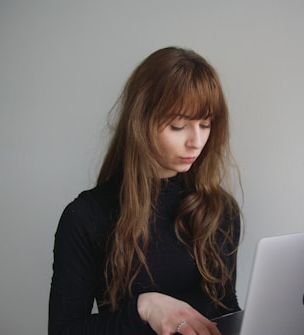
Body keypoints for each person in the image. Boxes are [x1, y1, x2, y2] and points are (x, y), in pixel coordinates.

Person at [48, 46, 242, 335]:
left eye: (206, 124)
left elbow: (224, 307)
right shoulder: (86, 217)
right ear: (141, 122)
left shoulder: (220, 209)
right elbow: (63, 331)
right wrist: (143, 308)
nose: (196, 142)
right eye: (179, 126)